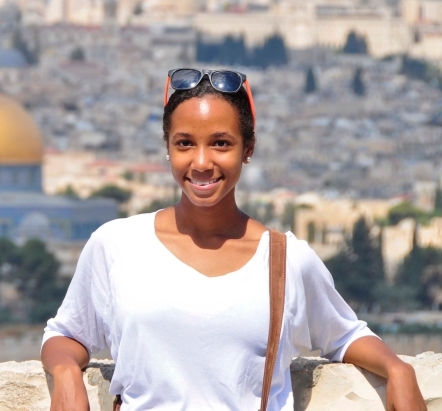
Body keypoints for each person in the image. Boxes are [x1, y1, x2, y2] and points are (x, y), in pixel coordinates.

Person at [41, 69, 427, 410]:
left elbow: (344, 334)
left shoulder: (285, 260)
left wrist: (397, 369)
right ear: (167, 147)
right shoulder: (116, 244)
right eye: (185, 143)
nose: (202, 162)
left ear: (249, 149)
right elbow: (66, 333)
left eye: (221, 143)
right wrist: (65, 372)